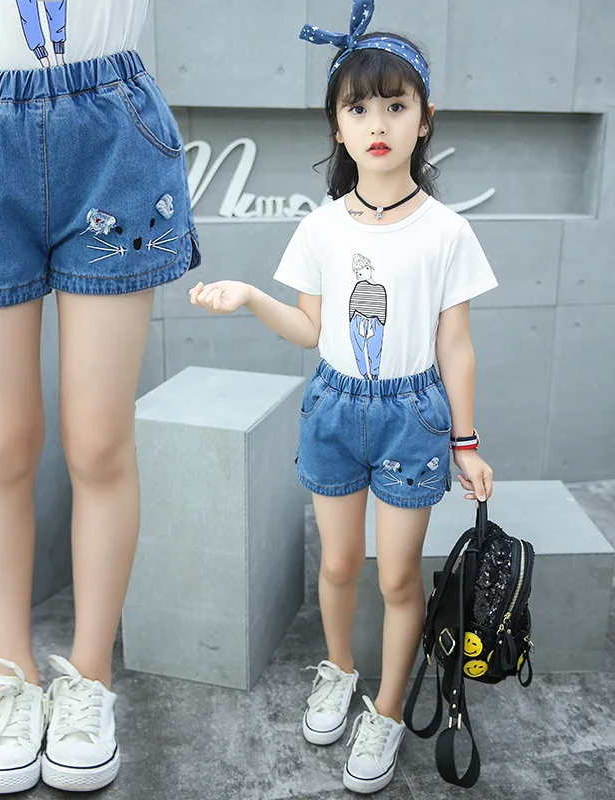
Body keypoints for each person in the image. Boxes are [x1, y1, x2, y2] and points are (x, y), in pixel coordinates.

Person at [189, 0, 495, 793]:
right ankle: (338, 670)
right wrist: (251, 296)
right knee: (337, 563)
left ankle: (386, 709)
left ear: (425, 118)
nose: (377, 123)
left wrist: (466, 443)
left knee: (397, 577)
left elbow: (455, 346)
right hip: (332, 410)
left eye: (395, 105)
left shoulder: (447, 232)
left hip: (411, 417)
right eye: (358, 108)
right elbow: (309, 328)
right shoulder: (321, 227)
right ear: (337, 124)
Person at [0, 0, 200, 793]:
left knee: (99, 442)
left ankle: (90, 679)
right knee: (2, 442)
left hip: (111, 132)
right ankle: (12, 677)